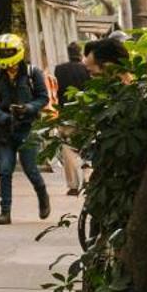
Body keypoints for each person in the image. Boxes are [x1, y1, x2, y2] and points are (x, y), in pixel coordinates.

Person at [0, 32, 51, 225]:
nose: (7, 62)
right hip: (5, 128)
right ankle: (5, 211)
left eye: (9, 55)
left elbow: (44, 98)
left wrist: (28, 108)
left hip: (29, 127)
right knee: (5, 170)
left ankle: (42, 195)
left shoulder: (32, 72)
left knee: (31, 169)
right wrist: (2, 116)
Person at [52, 41, 92, 197]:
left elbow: (57, 91)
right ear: (80, 53)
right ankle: (88, 179)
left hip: (66, 114)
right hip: (85, 114)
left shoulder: (59, 69)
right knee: (88, 148)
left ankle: (73, 185)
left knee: (67, 148)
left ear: (68, 53)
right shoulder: (87, 69)